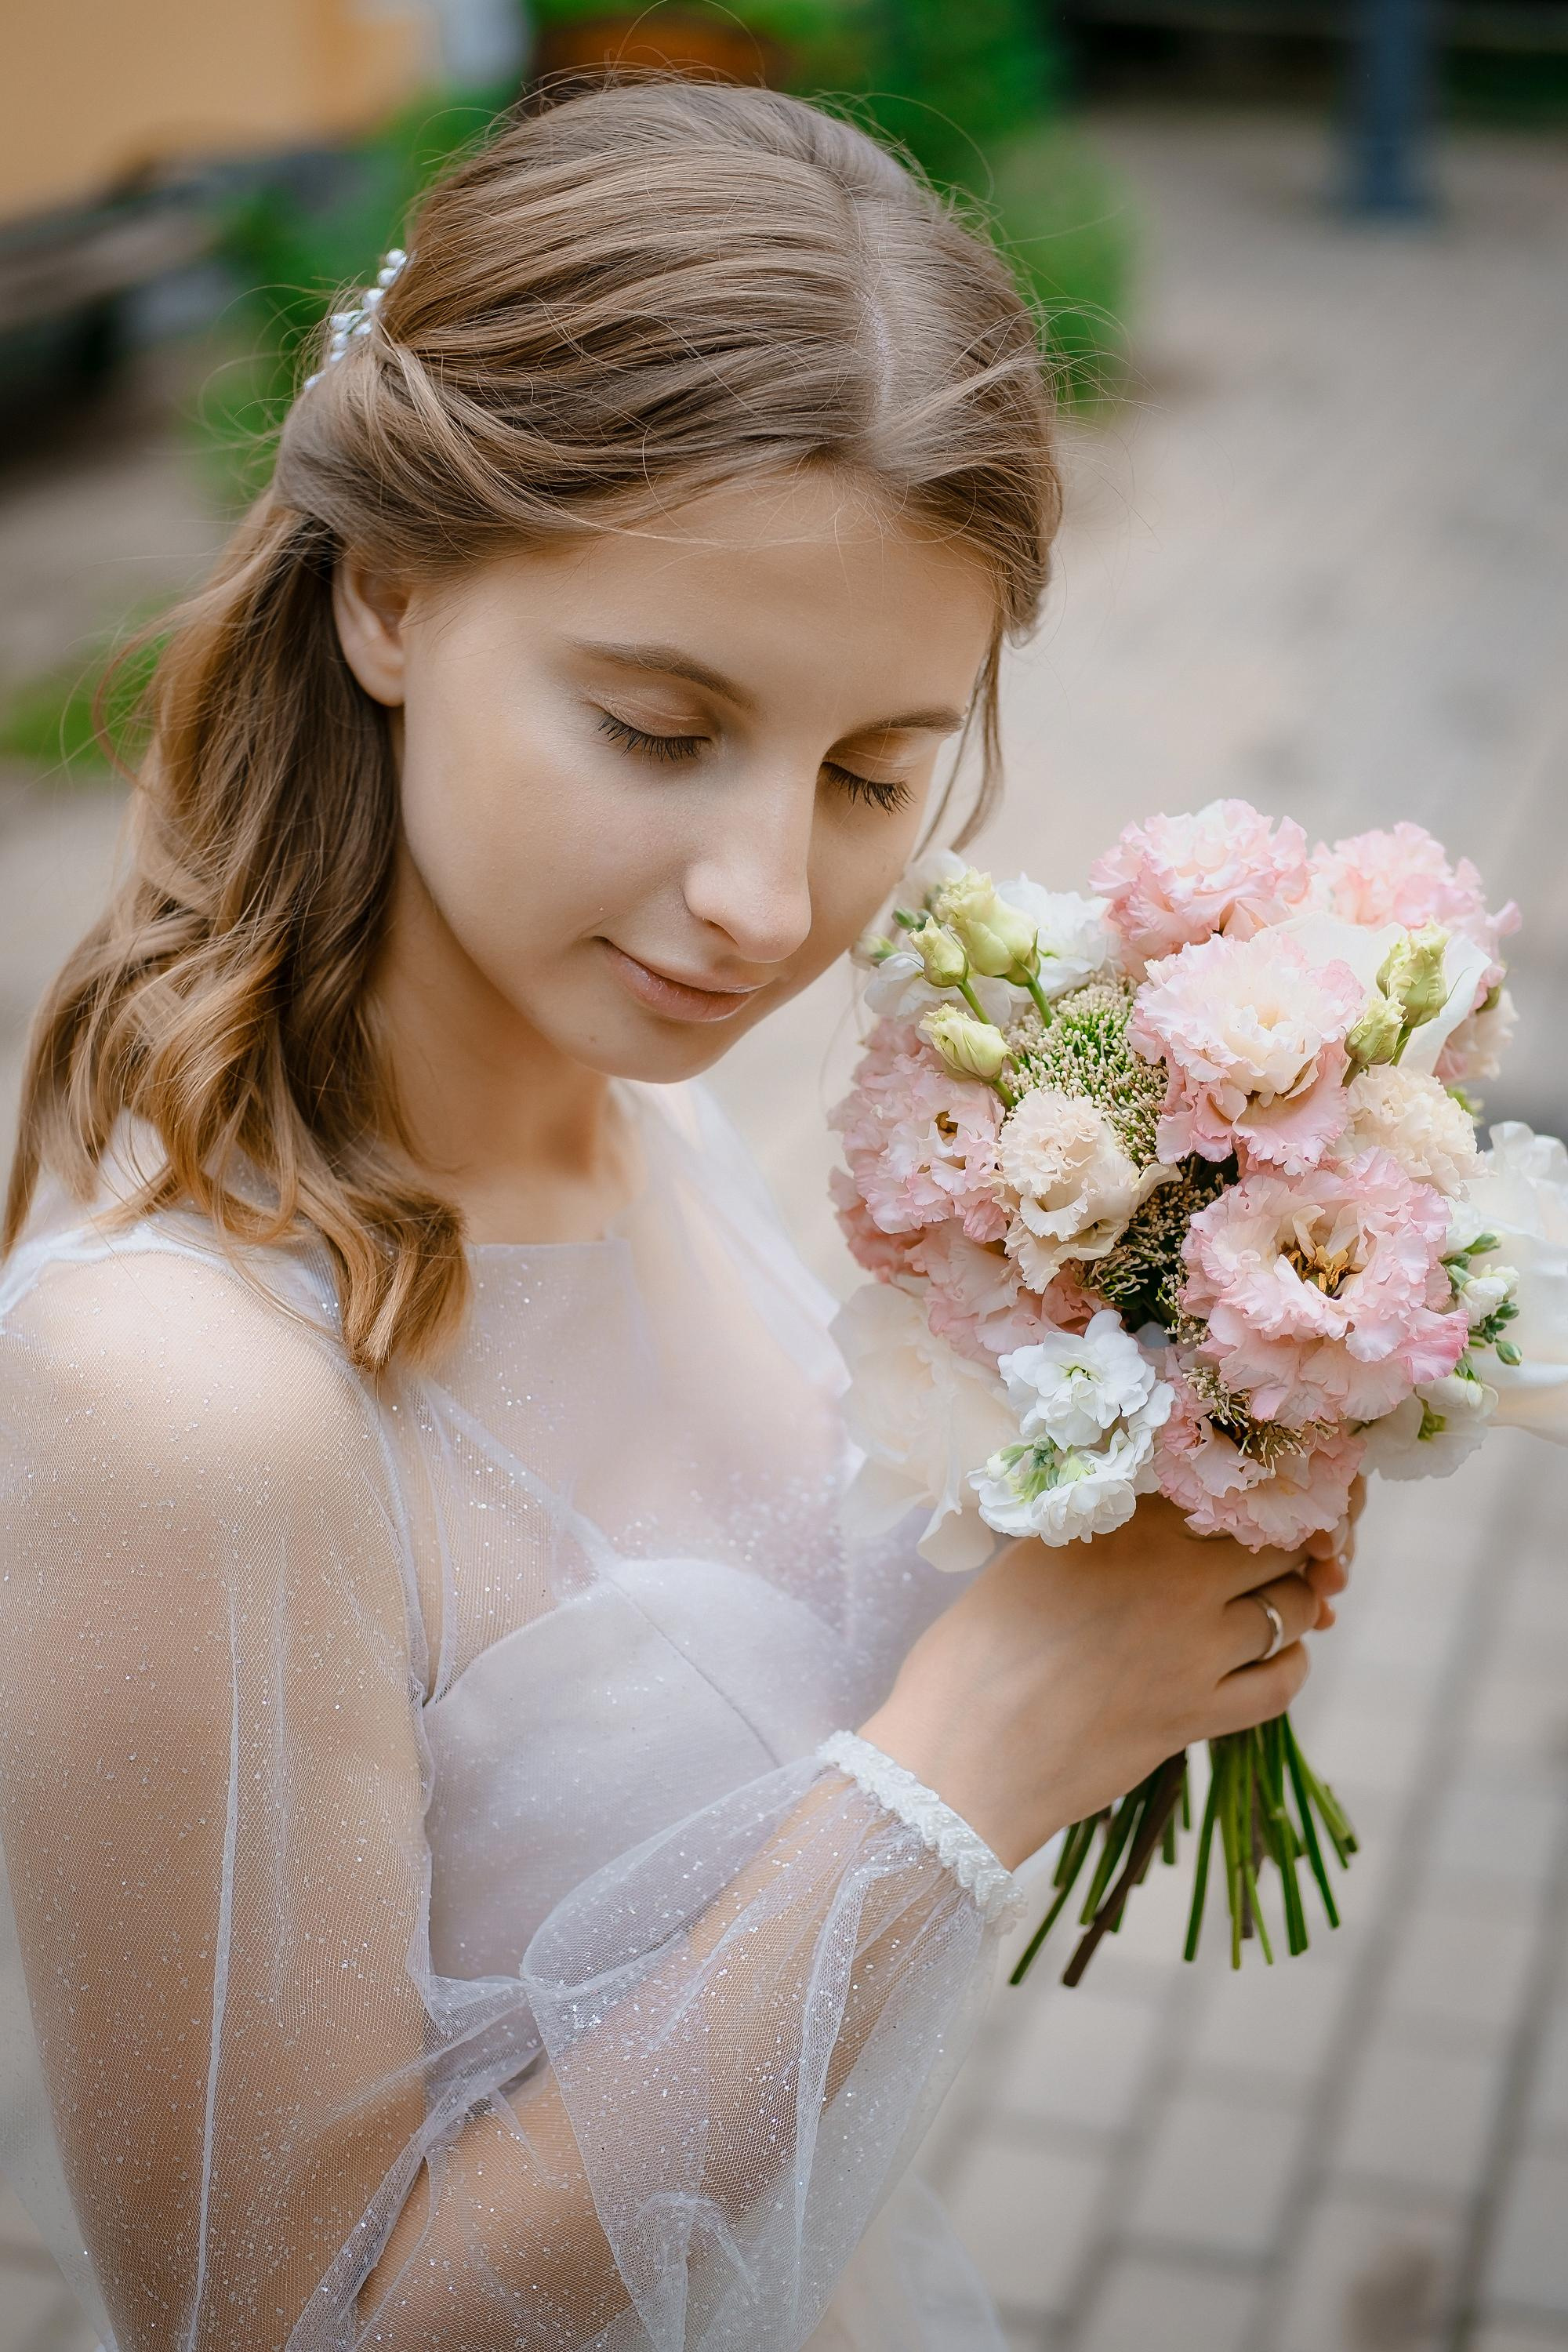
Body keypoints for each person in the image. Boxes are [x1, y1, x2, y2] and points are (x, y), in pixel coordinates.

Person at [0, 79, 1348, 2352]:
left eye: (870, 776)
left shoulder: (629, 1117)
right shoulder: (195, 1404)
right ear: (396, 595)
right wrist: (972, 1758)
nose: (759, 908)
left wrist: (1136, 1508)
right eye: (655, 725)